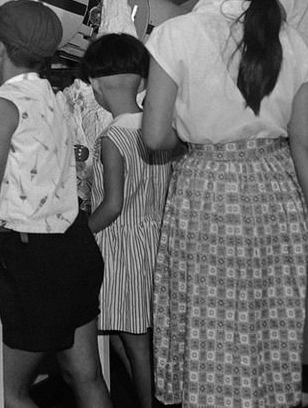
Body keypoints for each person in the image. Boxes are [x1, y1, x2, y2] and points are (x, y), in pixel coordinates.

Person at [141, 0, 308, 408]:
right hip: (277, 197)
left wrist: (201, 143)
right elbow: (307, 149)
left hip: (207, 192)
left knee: (209, 328)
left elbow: (155, 136)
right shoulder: (292, 41)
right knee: (267, 329)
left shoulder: (174, 35)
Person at [0, 0, 110, 408]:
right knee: (86, 374)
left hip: (34, 258)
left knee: (6, 389)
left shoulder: (0, 104)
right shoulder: (54, 98)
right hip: (75, 248)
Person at [81, 34, 175, 408]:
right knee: (134, 338)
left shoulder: (112, 138)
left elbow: (113, 206)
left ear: (97, 87)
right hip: (153, 241)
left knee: (137, 347)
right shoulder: (159, 129)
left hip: (120, 250)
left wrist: (81, 235)